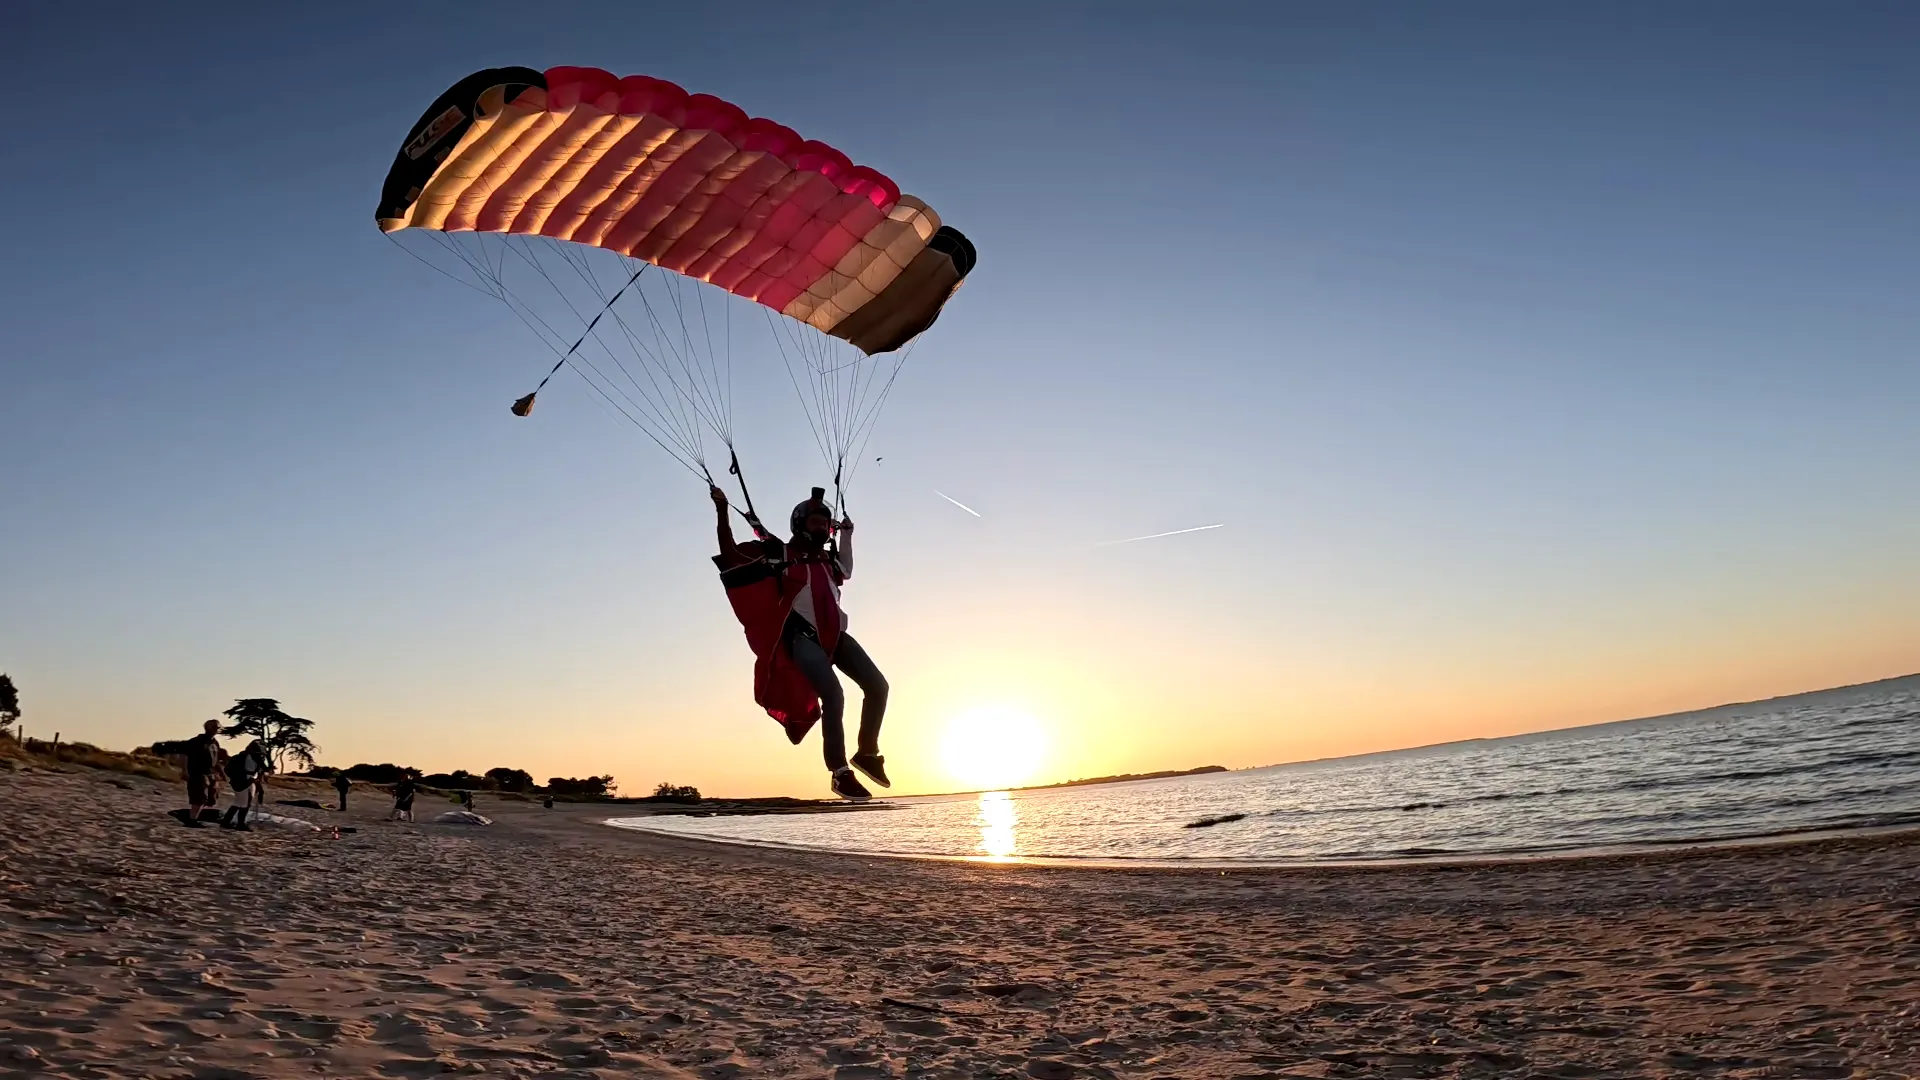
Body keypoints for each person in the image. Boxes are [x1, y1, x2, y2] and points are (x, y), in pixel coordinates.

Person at [712, 485, 890, 801]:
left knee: (878, 686)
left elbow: (847, 568)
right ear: (799, 524)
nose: (821, 528)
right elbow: (729, 552)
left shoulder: (830, 562)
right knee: (833, 696)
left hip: (836, 637)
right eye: (815, 523)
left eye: (825, 523)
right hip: (802, 637)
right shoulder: (780, 553)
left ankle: (867, 754)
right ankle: (839, 773)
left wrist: (847, 534)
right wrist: (722, 509)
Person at [155, 719, 223, 827]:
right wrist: (184, 770)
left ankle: (193, 816)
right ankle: (192, 820)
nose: (216, 730)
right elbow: (184, 755)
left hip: (210, 773)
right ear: (207, 728)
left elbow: (216, 759)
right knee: (199, 797)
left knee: (211, 799)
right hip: (197, 772)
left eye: (218, 728)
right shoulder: (197, 741)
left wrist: (220, 773)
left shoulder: (214, 743)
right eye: (214, 727)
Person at [220, 739, 272, 831]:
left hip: (246, 780)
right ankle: (239, 824)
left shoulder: (248, 756)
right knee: (243, 803)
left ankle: (228, 822)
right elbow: (266, 768)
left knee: (241, 802)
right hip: (245, 780)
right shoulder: (251, 756)